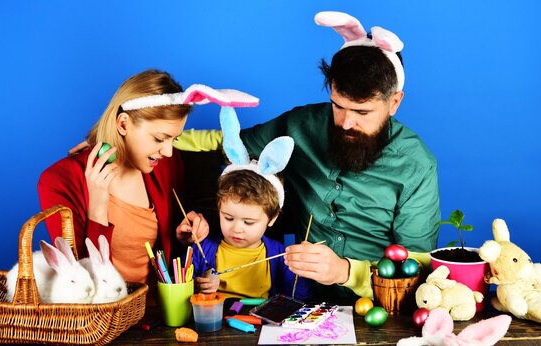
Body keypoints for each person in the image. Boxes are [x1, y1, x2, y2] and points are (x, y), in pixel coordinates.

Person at [175, 11, 440, 299]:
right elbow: (226, 144)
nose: (346, 123)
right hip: (299, 297)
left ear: (394, 103)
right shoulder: (301, 124)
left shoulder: (417, 166)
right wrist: (157, 137)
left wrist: (346, 272)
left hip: (378, 305)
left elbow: (419, 266)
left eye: (362, 112)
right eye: (338, 106)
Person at [38, 69, 210, 288]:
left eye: (174, 140)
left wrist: (183, 236)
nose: (167, 151)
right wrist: (98, 209)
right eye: (159, 138)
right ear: (123, 124)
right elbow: (80, 281)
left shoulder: (166, 163)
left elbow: (168, 257)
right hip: (104, 316)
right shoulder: (58, 181)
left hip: (161, 316)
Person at [191, 107, 312, 300]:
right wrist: (197, 285)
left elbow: (300, 297)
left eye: (249, 222)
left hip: (260, 324)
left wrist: (299, 270)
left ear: (272, 218)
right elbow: (179, 283)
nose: (237, 229)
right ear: (219, 208)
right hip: (215, 321)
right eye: (228, 217)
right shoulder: (202, 248)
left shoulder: (279, 255)